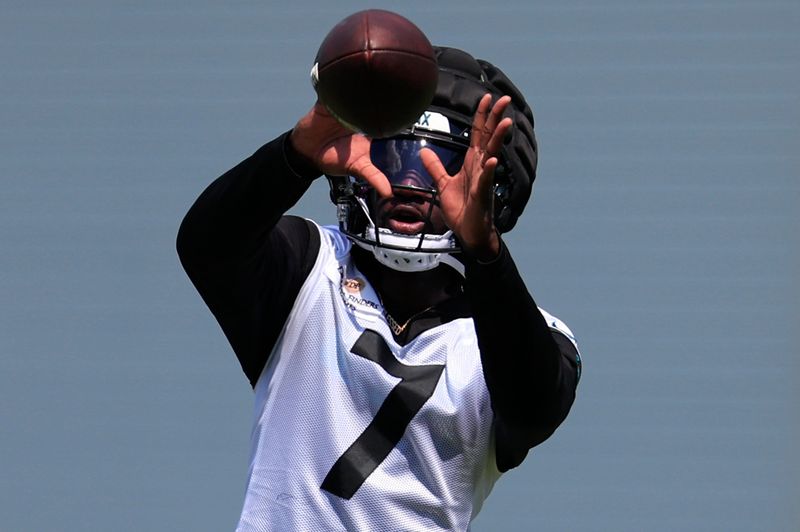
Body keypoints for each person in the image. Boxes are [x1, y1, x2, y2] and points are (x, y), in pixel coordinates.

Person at [177, 46, 581, 531]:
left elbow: (534, 408)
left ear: (495, 185)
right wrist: (295, 155)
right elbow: (206, 245)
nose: (411, 182)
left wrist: (486, 252)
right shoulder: (307, 266)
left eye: (442, 164)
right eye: (396, 155)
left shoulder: (524, 334)